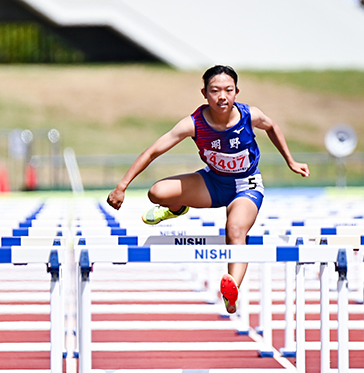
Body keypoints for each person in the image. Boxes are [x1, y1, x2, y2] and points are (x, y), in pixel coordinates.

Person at [106, 65, 309, 314]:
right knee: (157, 193)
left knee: (235, 229)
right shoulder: (193, 123)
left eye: (228, 90)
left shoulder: (250, 115)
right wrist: (121, 186)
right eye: (215, 90)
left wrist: (291, 160)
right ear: (204, 93)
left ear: (236, 92)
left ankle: (231, 291)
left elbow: (272, 126)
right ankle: (176, 208)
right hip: (212, 182)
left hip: (245, 186)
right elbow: (153, 151)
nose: (222, 96)